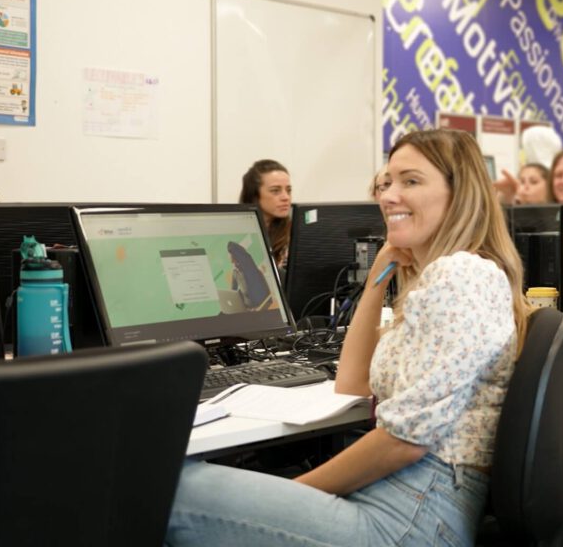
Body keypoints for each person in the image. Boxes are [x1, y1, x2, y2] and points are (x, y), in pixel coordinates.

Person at [167, 128, 529, 546]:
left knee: (167, 488)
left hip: (412, 515)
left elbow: (404, 443)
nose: (389, 195)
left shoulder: (460, 276)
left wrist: (292, 494)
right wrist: (380, 273)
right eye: (388, 181)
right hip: (411, 501)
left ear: (460, 194)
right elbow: (352, 383)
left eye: (411, 181)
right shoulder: (449, 277)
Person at [239, 159, 292, 267]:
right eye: (275, 191)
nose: (286, 197)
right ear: (254, 195)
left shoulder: (294, 233)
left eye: (288, 190)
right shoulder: (237, 234)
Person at [227, 241, 273, 310]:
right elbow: (232, 293)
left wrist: (257, 309)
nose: (233, 264)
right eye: (232, 262)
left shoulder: (254, 273)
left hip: (259, 309)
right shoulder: (235, 273)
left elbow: (268, 300)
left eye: (235, 261)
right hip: (247, 309)